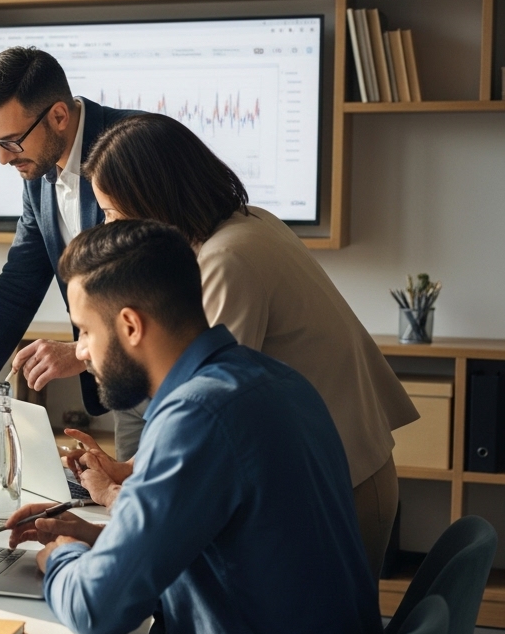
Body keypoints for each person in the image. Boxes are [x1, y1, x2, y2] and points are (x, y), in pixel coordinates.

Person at [10, 219, 381, 634]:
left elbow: (96, 609)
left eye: (83, 330)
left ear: (129, 325)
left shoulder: (197, 415)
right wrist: (95, 536)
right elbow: (222, 537)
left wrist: (56, 554)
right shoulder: (271, 379)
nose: (80, 351)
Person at [62, 112, 416, 580]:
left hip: (339, 483)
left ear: (152, 200)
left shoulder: (228, 260)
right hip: (345, 467)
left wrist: (115, 492)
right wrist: (129, 469)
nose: (105, 227)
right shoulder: (246, 225)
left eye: (110, 212)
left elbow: (205, 406)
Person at [0, 47, 141, 461]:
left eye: (11, 142)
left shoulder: (132, 146)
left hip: (178, 377)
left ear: (58, 116)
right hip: (126, 388)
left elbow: (159, 279)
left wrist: (79, 351)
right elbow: (18, 286)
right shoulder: (39, 169)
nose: (3, 158)